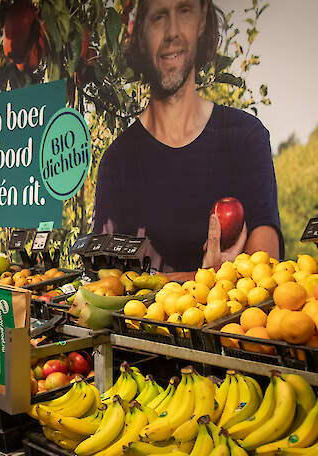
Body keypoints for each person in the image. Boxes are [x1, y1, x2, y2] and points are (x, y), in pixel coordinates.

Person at [92, 0, 282, 280]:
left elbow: (267, 270)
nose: (172, 32)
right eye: (158, 17)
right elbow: (107, 285)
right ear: (141, 35)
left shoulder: (245, 138)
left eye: (184, 11)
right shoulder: (117, 162)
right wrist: (210, 278)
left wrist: (161, 281)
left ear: (202, 22)